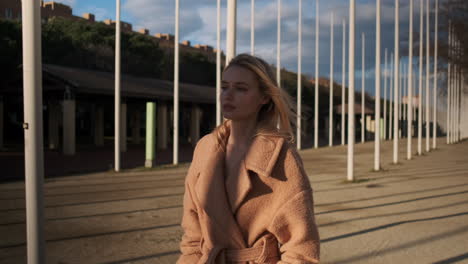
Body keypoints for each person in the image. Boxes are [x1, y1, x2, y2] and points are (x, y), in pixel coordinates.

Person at [177, 53, 320, 264]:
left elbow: (301, 251)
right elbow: (192, 236)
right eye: (224, 87)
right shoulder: (205, 148)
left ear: (264, 97)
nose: (228, 95)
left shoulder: (282, 157)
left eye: (241, 88)